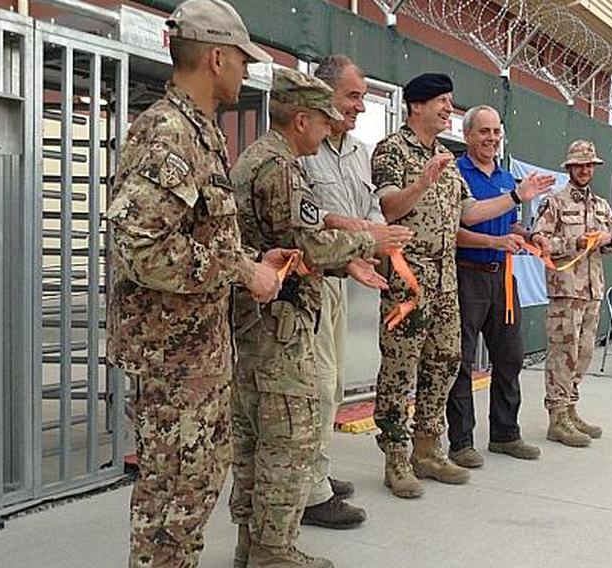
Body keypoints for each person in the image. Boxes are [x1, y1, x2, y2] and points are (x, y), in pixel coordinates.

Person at [105, 1, 289, 566]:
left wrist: (252, 258)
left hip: (197, 355)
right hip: (175, 362)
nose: (245, 71)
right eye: (241, 60)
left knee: (192, 496)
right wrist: (242, 271)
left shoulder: (199, 133)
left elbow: (194, 234)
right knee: (172, 509)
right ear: (216, 57)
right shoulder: (169, 133)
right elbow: (143, 249)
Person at [229, 68, 413, 568]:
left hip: (257, 323)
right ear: (302, 119)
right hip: (279, 328)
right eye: (325, 120)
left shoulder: (258, 159)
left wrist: (349, 255)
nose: (331, 128)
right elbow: (305, 242)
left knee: (255, 439)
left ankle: (253, 544)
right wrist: (367, 240)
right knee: (289, 439)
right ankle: (273, 551)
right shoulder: (282, 168)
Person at [371, 73, 554, 498]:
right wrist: (423, 182)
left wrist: (516, 196)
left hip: (445, 281)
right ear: (416, 105)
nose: (447, 109)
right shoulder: (392, 151)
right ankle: (396, 459)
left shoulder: (446, 158)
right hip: (408, 282)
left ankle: (428, 448)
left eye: (451, 102)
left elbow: (469, 213)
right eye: (441, 101)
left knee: (446, 361)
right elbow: (390, 206)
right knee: (401, 370)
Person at [298, 55, 384, 530]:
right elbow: (312, 218)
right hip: (310, 281)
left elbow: (370, 207)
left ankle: (319, 474)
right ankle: (310, 493)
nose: (360, 107)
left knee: (330, 387)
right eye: (353, 96)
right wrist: (361, 235)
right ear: (325, 93)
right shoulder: (302, 149)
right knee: (316, 387)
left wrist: (375, 239)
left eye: (362, 98)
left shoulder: (356, 152)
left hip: (341, 282)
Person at [445, 105, 545, 468]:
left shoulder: (507, 179)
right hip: (467, 275)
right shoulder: (456, 174)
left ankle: (505, 434)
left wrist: (530, 236)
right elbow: (451, 229)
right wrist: (494, 243)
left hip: (503, 278)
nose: (491, 138)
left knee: (510, 356)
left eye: (496, 132)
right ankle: (461, 442)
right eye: (484, 132)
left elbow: (511, 224)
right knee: (461, 361)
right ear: (467, 135)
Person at [530, 140, 612, 448]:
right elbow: (539, 242)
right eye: (579, 165)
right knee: (563, 351)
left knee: (584, 351)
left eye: (589, 165)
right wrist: (575, 243)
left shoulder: (601, 206)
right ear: (569, 168)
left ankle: (571, 407)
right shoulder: (554, 203)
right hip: (565, 291)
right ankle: (557, 416)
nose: (585, 170)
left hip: (592, 290)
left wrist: (605, 238)